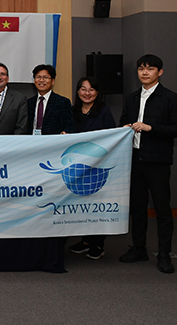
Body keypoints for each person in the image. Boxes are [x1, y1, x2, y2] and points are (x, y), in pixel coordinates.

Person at [118, 54, 177, 274]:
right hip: (135, 159)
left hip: (157, 162)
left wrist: (150, 128)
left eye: (150, 69)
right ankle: (139, 249)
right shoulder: (132, 98)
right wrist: (125, 127)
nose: (144, 73)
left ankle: (164, 254)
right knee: (137, 209)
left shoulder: (171, 98)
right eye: (141, 69)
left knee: (162, 210)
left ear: (160, 72)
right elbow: (123, 121)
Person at [68, 76, 116, 260]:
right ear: (77, 91)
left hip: (97, 166)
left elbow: (111, 136)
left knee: (97, 205)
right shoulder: (72, 111)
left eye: (91, 89)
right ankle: (86, 240)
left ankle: (98, 243)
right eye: (83, 89)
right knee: (81, 205)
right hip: (77, 167)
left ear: (97, 92)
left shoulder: (104, 111)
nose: (87, 93)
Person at [25, 64, 74, 135]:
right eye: (38, 77)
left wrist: (65, 133)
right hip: (32, 140)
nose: (41, 80)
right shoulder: (28, 102)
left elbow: (69, 126)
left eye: (45, 77)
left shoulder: (62, 102)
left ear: (53, 81)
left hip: (53, 141)